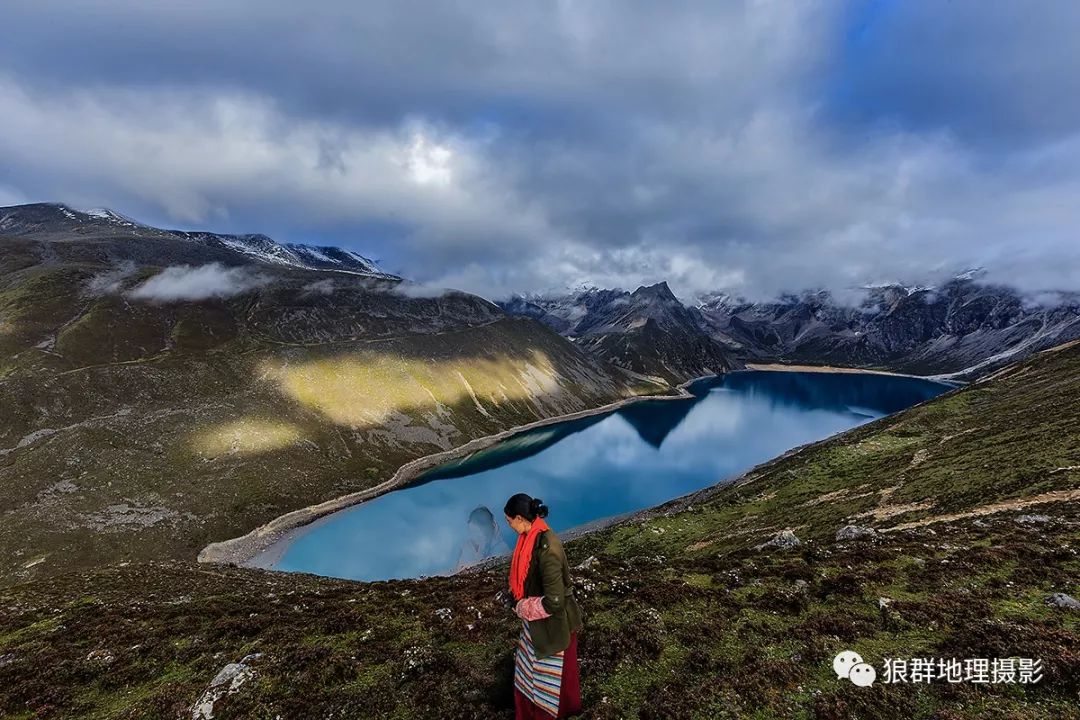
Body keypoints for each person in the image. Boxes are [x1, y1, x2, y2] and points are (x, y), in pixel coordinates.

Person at [504, 493, 583, 719]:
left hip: (553, 626)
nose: (509, 526)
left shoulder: (548, 549)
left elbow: (554, 601)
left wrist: (521, 607)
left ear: (520, 518)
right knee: (527, 673)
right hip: (537, 626)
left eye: (509, 521)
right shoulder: (530, 539)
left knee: (547, 683)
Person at [454, 505, 511, 571]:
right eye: (473, 533)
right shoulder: (467, 547)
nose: (475, 538)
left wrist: (482, 551)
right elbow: (458, 569)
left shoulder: (500, 548)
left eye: (478, 534)